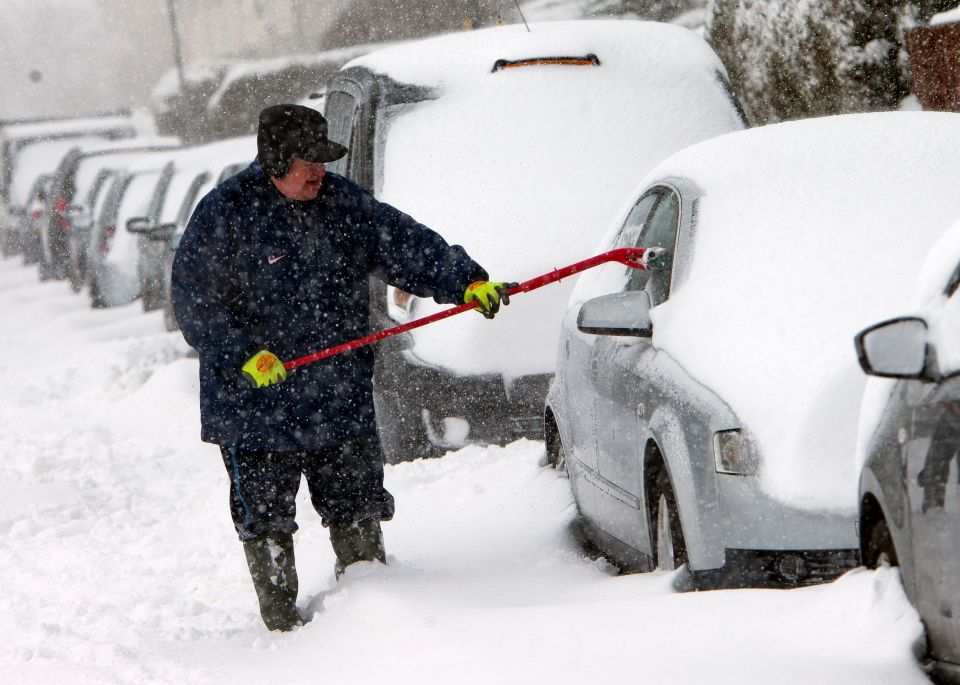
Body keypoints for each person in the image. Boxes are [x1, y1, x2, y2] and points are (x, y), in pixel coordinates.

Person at [171, 104, 513, 631]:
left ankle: (370, 616)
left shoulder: (340, 204)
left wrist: (463, 280)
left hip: (337, 394)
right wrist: (245, 354)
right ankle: (282, 617)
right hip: (255, 408)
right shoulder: (225, 215)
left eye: (323, 161)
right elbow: (195, 303)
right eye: (309, 162)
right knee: (265, 517)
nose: (320, 173)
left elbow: (405, 244)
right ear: (275, 161)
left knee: (356, 502)